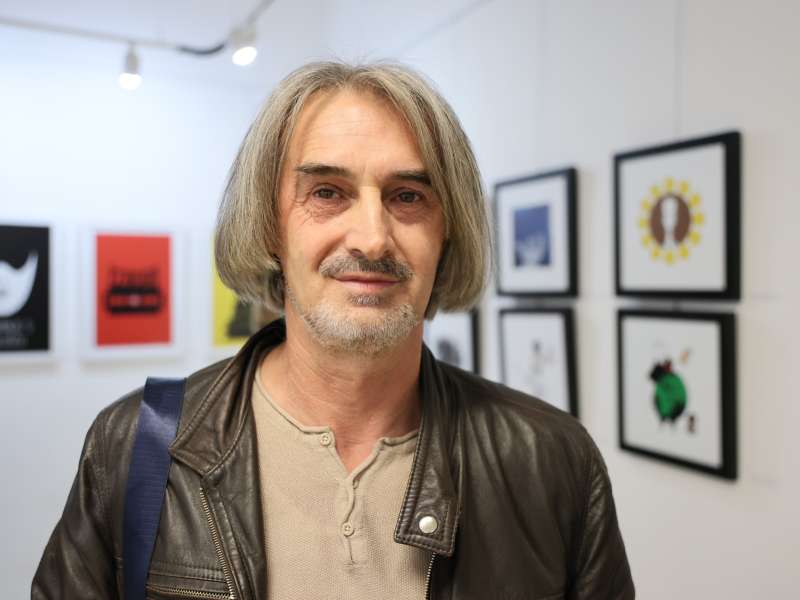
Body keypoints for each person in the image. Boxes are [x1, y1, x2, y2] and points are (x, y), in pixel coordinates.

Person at [32, 61, 634, 599]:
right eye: (326, 192)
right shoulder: (137, 446)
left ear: (447, 231)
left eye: (408, 196)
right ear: (269, 224)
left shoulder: (550, 460)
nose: (372, 238)